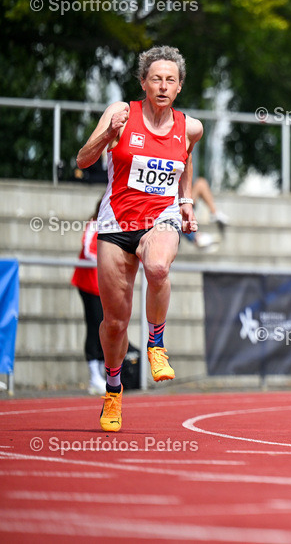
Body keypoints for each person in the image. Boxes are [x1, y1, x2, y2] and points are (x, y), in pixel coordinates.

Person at [76, 45, 202, 432]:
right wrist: (107, 137)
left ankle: (156, 345)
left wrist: (185, 201)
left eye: (170, 80)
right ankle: (113, 392)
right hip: (116, 226)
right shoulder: (121, 113)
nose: (163, 86)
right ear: (143, 83)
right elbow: (83, 160)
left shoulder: (191, 127)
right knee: (114, 323)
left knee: (159, 267)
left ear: (179, 86)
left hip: (160, 219)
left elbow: (186, 161)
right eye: (155, 79)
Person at [71, 198, 105, 395]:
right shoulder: (94, 225)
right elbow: (88, 251)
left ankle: (99, 373)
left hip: (102, 286)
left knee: (104, 327)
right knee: (94, 326)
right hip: (88, 284)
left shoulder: (114, 226)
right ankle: (94, 376)